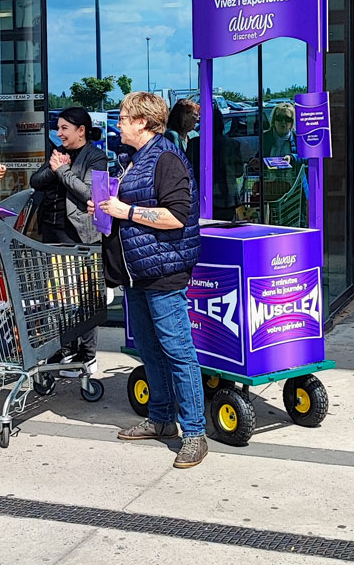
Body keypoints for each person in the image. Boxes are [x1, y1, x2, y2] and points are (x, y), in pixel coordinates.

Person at [89, 91, 207, 469]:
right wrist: (106, 208)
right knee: (150, 348)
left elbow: (176, 216)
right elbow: (129, 211)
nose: (118, 123)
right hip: (135, 272)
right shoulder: (133, 160)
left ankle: (195, 432)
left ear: (142, 122)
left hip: (163, 272)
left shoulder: (166, 159)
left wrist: (127, 210)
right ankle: (160, 419)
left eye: (123, 118)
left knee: (177, 350)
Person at [30, 107, 107, 374]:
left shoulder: (96, 158)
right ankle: (63, 347)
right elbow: (36, 181)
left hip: (80, 236)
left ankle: (87, 354)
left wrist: (63, 171)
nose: (59, 133)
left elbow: (90, 194)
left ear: (81, 131)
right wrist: (55, 168)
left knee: (86, 298)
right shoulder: (57, 155)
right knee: (60, 299)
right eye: (58, 128)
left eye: (65, 128)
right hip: (52, 234)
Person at [186, 108, 244, 221]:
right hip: (227, 199)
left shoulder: (194, 144)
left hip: (202, 199)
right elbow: (239, 172)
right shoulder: (233, 144)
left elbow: (188, 172)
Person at [262, 102, 300, 167]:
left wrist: (292, 158)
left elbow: (307, 157)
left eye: (287, 119)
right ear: (273, 120)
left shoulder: (298, 138)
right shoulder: (265, 137)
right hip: (271, 176)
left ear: (292, 122)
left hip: (293, 176)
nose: (283, 122)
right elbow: (259, 156)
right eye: (279, 118)